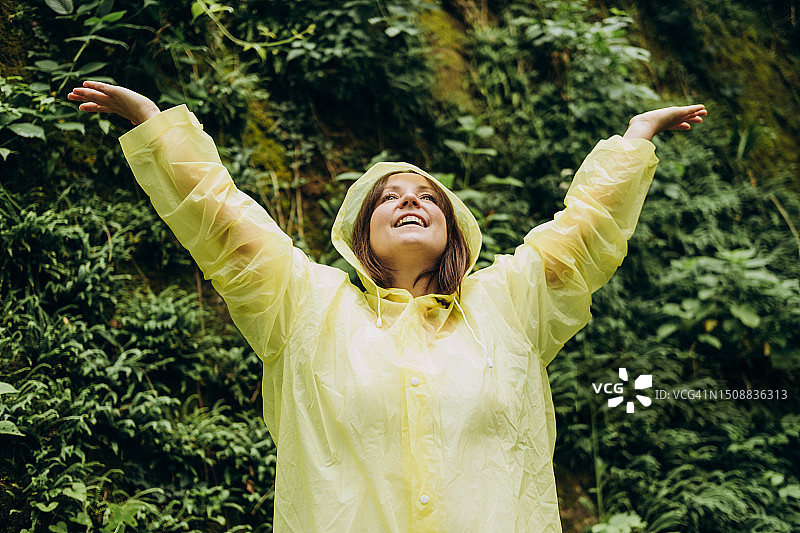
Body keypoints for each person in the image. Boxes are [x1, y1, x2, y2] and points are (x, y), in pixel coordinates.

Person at [68, 81, 706, 532]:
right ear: (359, 232)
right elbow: (226, 222)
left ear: (452, 229)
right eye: (388, 197)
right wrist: (157, 126)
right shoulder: (303, 304)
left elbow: (584, 231)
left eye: (428, 197)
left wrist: (635, 138)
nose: (411, 202)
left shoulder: (510, 304)